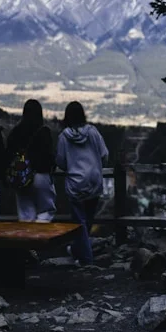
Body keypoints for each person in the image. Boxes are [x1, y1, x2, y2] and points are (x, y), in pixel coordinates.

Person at [55, 101, 110, 266]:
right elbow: (104, 154)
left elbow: (61, 161)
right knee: (87, 221)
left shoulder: (64, 137)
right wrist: (97, 168)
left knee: (79, 224)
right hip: (94, 180)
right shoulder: (93, 132)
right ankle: (78, 252)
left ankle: (87, 261)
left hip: (76, 183)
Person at [7, 99, 55, 223]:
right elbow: (49, 156)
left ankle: (27, 240)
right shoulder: (44, 131)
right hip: (41, 175)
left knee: (25, 215)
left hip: (21, 176)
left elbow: (9, 154)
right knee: (45, 212)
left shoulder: (15, 132)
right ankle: (41, 238)